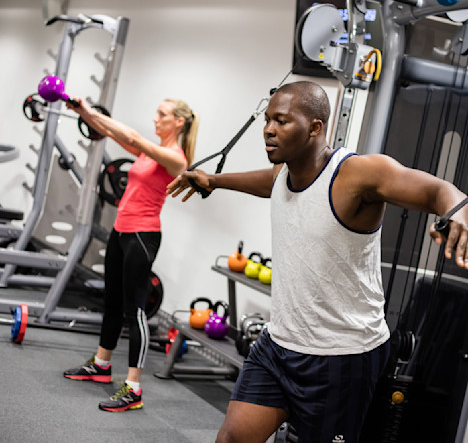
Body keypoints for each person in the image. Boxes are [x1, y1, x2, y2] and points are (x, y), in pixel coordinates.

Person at [166, 80, 468, 443]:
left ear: (315, 127)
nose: (269, 129)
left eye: (281, 120)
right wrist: (213, 180)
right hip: (279, 344)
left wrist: (457, 209)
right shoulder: (285, 171)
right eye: (267, 120)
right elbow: (269, 183)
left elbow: (435, 190)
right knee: (231, 438)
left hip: (341, 355)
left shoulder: (357, 175)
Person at [63, 97, 199, 412]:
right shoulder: (150, 152)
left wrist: (91, 111)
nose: (156, 118)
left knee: (133, 309)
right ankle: (101, 364)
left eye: (162, 114)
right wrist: (86, 114)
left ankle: (134, 387)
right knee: (111, 300)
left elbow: (133, 138)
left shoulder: (175, 158)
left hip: (142, 235)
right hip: (121, 231)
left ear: (178, 122)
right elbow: (115, 136)